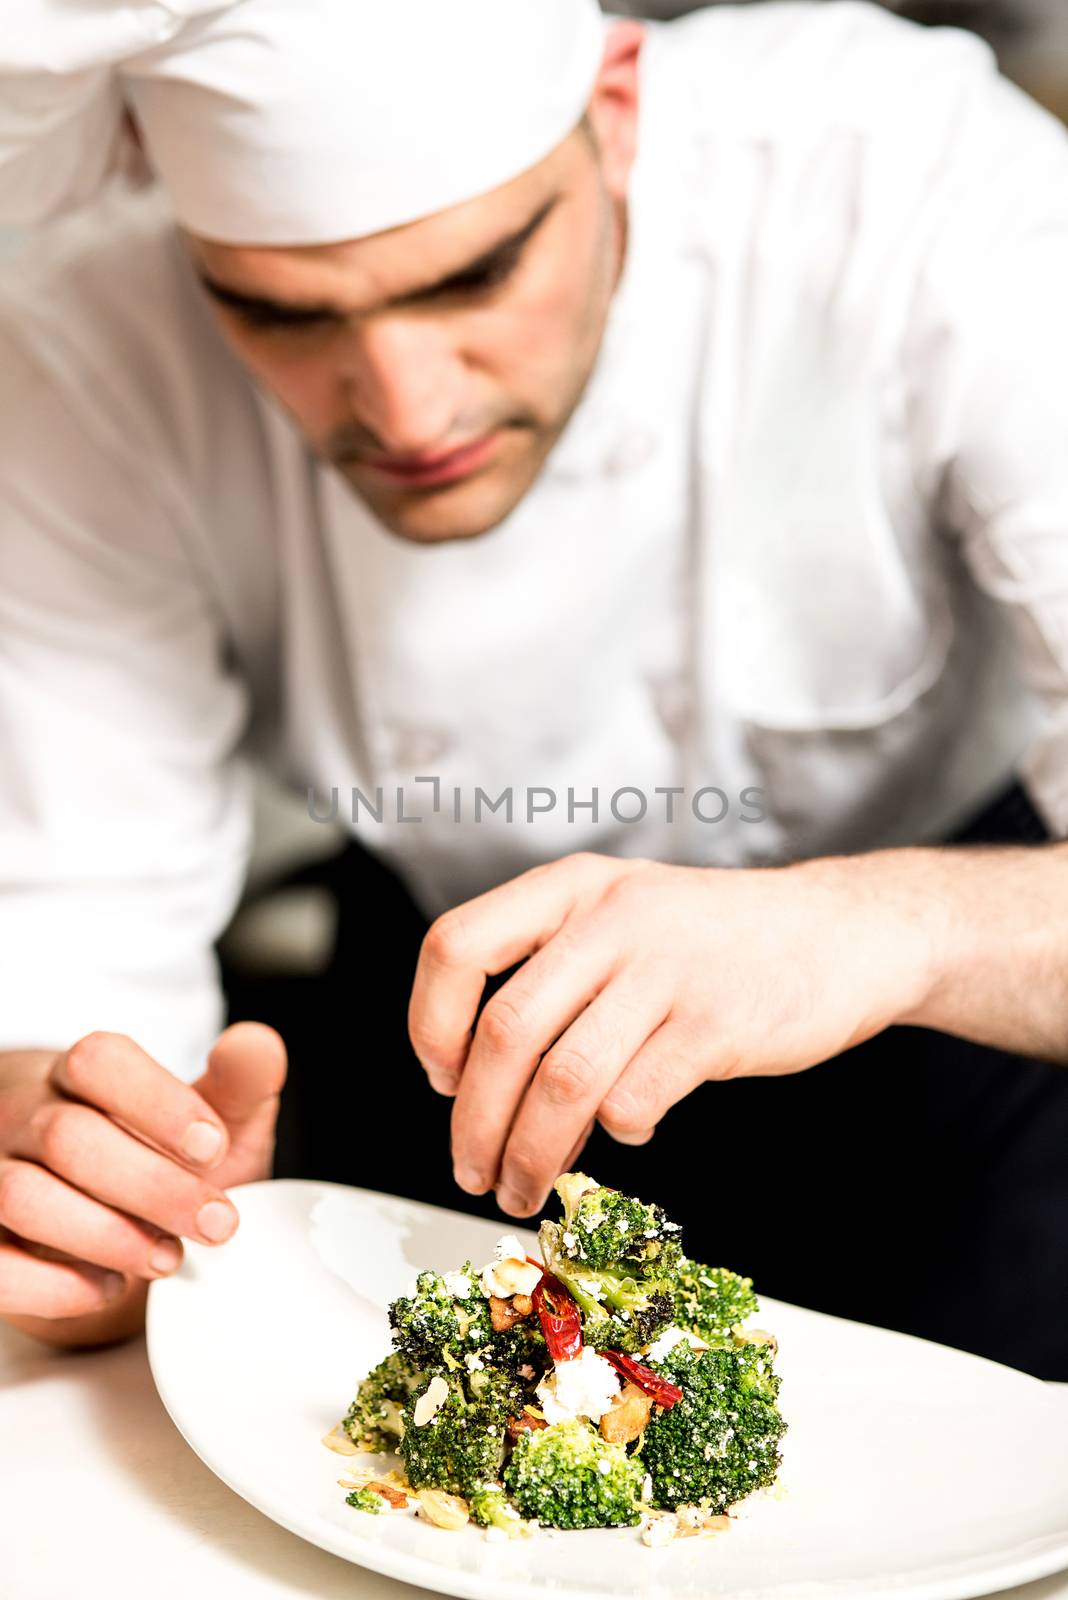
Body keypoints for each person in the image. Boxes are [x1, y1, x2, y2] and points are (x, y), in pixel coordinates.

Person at [0, 0, 1067, 1374]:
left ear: (617, 110)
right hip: (451, 1036)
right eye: (278, 312)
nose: (405, 408)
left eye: (474, 278)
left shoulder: (906, 186)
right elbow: (77, 928)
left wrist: (888, 926)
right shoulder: (87, 340)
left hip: (954, 1028)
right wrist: (84, 1173)